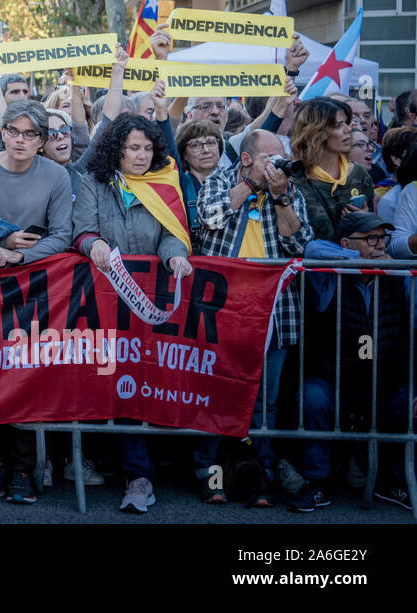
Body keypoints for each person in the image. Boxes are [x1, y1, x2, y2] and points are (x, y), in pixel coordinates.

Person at [0, 99, 73, 504]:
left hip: (36, 289)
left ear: (42, 140)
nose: (20, 140)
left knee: (25, 376)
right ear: (2, 132)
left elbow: (62, 235)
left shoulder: (56, 175)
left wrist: (20, 254)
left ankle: (23, 467)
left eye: (31, 134)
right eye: (13, 132)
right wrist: (0, 240)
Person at [73, 114, 193, 514]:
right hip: (103, 306)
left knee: (142, 384)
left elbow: (172, 233)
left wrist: (175, 257)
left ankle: (140, 475)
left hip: (148, 305)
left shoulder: (164, 183)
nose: (141, 156)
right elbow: (82, 229)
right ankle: (116, 466)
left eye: (147, 148)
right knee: (108, 382)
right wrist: (92, 245)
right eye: (132, 148)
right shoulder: (93, 182)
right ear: (116, 150)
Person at [196, 128, 314, 508]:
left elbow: (300, 243)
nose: (279, 164)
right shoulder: (220, 179)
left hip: (274, 313)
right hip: (223, 312)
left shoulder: (287, 189)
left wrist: (280, 199)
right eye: (270, 157)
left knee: (266, 402)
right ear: (247, 158)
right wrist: (249, 184)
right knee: (215, 394)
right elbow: (210, 217)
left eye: (281, 156)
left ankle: (260, 475)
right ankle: (208, 472)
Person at [300, 211, 415, 510]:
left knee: (408, 400)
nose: (380, 246)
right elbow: (313, 249)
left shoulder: (399, 274)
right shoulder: (332, 278)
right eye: (372, 239)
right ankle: (317, 483)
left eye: (382, 238)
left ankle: (392, 482)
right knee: (312, 396)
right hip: (338, 381)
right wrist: (359, 262)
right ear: (346, 243)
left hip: (385, 383)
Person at [290, 97, 376, 240]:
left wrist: (365, 219)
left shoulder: (359, 174)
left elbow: (373, 234)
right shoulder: (294, 179)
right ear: (316, 132)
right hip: (312, 261)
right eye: (338, 125)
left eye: (346, 123)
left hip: (353, 260)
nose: (349, 129)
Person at [175, 119, 222, 235]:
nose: (206, 150)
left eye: (211, 143)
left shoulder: (231, 180)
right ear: (184, 154)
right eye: (195, 145)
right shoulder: (179, 183)